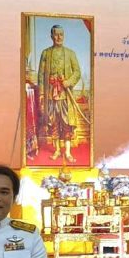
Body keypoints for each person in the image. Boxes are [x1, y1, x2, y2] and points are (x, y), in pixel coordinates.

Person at [38, 24, 83, 162]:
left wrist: (68, 82)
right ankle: (57, 150)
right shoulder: (45, 53)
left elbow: (77, 72)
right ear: (51, 36)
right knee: (53, 123)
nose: (59, 37)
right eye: (56, 34)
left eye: (61, 34)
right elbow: (41, 75)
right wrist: (41, 93)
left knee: (67, 124)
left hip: (65, 96)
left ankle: (68, 152)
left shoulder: (70, 53)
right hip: (51, 96)